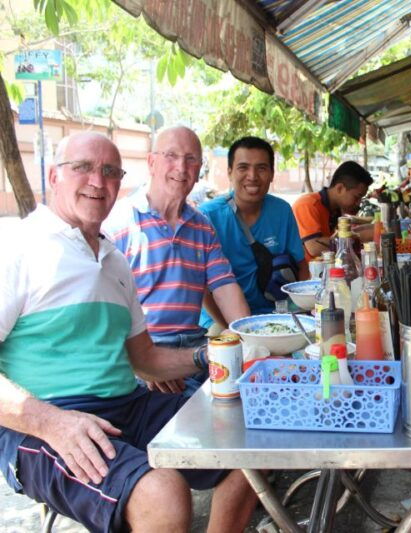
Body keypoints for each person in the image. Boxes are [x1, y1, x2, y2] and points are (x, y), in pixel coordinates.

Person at [0, 132, 258, 532]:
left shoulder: (114, 260)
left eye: (110, 171)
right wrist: (51, 422)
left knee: (252, 436)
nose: (97, 181)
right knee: (163, 494)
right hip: (43, 422)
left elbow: (146, 360)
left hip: (128, 404)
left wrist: (208, 355)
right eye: (82, 167)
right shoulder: (18, 246)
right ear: (53, 176)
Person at [104, 126, 250, 395]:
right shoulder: (119, 223)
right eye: (171, 155)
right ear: (151, 162)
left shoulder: (202, 227)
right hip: (143, 352)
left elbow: (225, 286)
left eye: (191, 159)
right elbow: (105, 313)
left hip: (194, 350)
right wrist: (143, 364)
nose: (181, 167)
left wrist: (250, 338)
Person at [199, 136, 308, 325]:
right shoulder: (208, 216)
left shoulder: (282, 211)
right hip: (221, 320)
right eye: (243, 168)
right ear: (230, 172)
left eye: (261, 168)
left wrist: (305, 311)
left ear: (272, 174)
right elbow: (200, 287)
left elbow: (301, 266)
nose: (252, 176)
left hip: (275, 314)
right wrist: (231, 330)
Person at [292, 160, 373, 261]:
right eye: (357, 197)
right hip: (308, 269)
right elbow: (314, 247)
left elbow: (339, 236)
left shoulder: (335, 209)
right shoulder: (307, 205)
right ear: (340, 188)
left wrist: (367, 230)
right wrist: (359, 237)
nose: (358, 203)